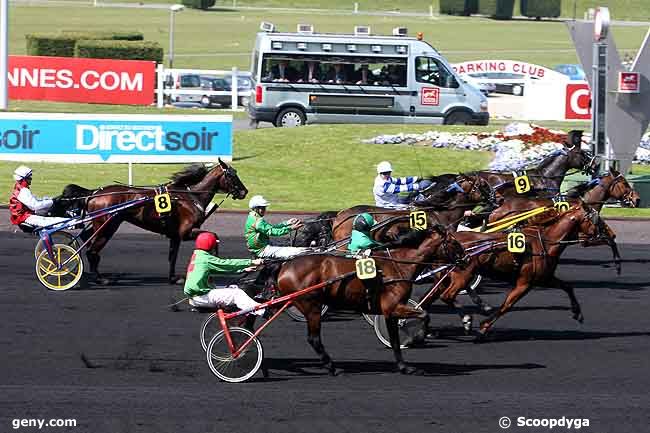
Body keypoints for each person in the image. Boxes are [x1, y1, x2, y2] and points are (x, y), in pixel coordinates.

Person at [184, 232, 267, 315]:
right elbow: (227, 264)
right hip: (201, 297)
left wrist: (243, 269)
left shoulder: (198, 256)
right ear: (211, 246)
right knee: (237, 293)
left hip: (196, 297)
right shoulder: (206, 258)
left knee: (232, 288)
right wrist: (252, 262)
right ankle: (264, 312)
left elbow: (219, 269)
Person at [244, 195, 309, 259]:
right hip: (262, 250)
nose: (264, 210)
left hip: (262, 246)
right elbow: (273, 232)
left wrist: (287, 223)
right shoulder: (258, 221)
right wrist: (291, 228)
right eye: (262, 208)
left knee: (287, 245)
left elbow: (271, 228)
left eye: (264, 207)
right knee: (296, 251)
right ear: (255, 208)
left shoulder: (252, 217)